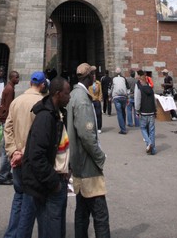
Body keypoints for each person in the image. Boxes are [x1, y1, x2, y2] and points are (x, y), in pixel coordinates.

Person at [22, 77, 71, 238]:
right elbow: (36, 156)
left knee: (53, 224)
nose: (69, 97)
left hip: (56, 179)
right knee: (52, 226)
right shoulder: (45, 117)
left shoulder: (57, 113)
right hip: (50, 183)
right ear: (57, 94)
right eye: (67, 93)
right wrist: (54, 182)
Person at [66, 62, 110, 238]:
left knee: (82, 211)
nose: (95, 76)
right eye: (93, 74)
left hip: (77, 161)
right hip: (88, 165)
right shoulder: (83, 100)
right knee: (100, 214)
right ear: (88, 77)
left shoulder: (73, 95)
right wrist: (100, 156)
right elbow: (86, 136)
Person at [3, 71, 47, 238]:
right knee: (32, 202)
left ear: (30, 83)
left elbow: (8, 129)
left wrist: (13, 151)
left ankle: (11, 234)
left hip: (17, 160)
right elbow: (42, 134)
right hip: (33, 160)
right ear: (42, 84)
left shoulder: (16, 101)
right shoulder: (43, 103)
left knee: (19, 197)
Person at [0, 70, 20, 184]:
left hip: (4, 119)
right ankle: (3, 176)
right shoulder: (10, 89)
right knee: (7, 148)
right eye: (17, 77)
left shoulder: (9, 87)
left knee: (6, 147)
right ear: (12, 78)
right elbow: (10, 107)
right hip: (6, 120)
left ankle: (6, 172)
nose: (18, 79)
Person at [134, 70, 157, 154]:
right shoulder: (151, 89)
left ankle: (149, 143)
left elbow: (138, 100)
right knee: (152, 130)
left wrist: (137, 110)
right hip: (151, 112)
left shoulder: (140, 88)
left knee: (143, 128)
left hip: (143, 112)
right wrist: (155, 110)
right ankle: (153, 150)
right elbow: (154, 100)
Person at [111, 67, 128, 134]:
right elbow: (128, 87)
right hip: (123, 97)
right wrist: (127, 96)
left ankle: (123, 129)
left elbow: (111, 87)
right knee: (123, 111)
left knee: (119, 113)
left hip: (116, 97)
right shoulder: (124, 78)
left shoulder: (113, 79)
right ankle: (124, 126)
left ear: (115, 72)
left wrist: (109, 95)